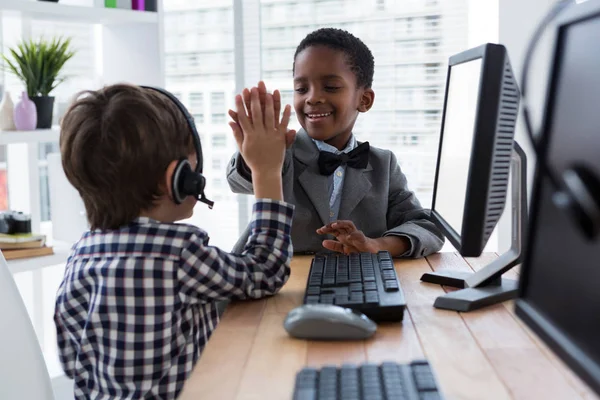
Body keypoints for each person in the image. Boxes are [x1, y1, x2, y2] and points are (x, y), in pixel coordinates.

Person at [53, 83, 294, 399]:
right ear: (179, 178)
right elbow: (265, 270)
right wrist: (266, 171)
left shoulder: (79, 257)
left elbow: (74, 363)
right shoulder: (179, 255)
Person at [226, 27, 443, 257]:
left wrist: (377, 245)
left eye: (331, 87)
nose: (312, 97)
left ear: (364, 100)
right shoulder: (280, 152)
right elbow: (239, 180)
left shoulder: (383, 164)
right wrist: (255, 155)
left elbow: (428, 227)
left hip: (354, 284)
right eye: (301, 89)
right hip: (277, 282)